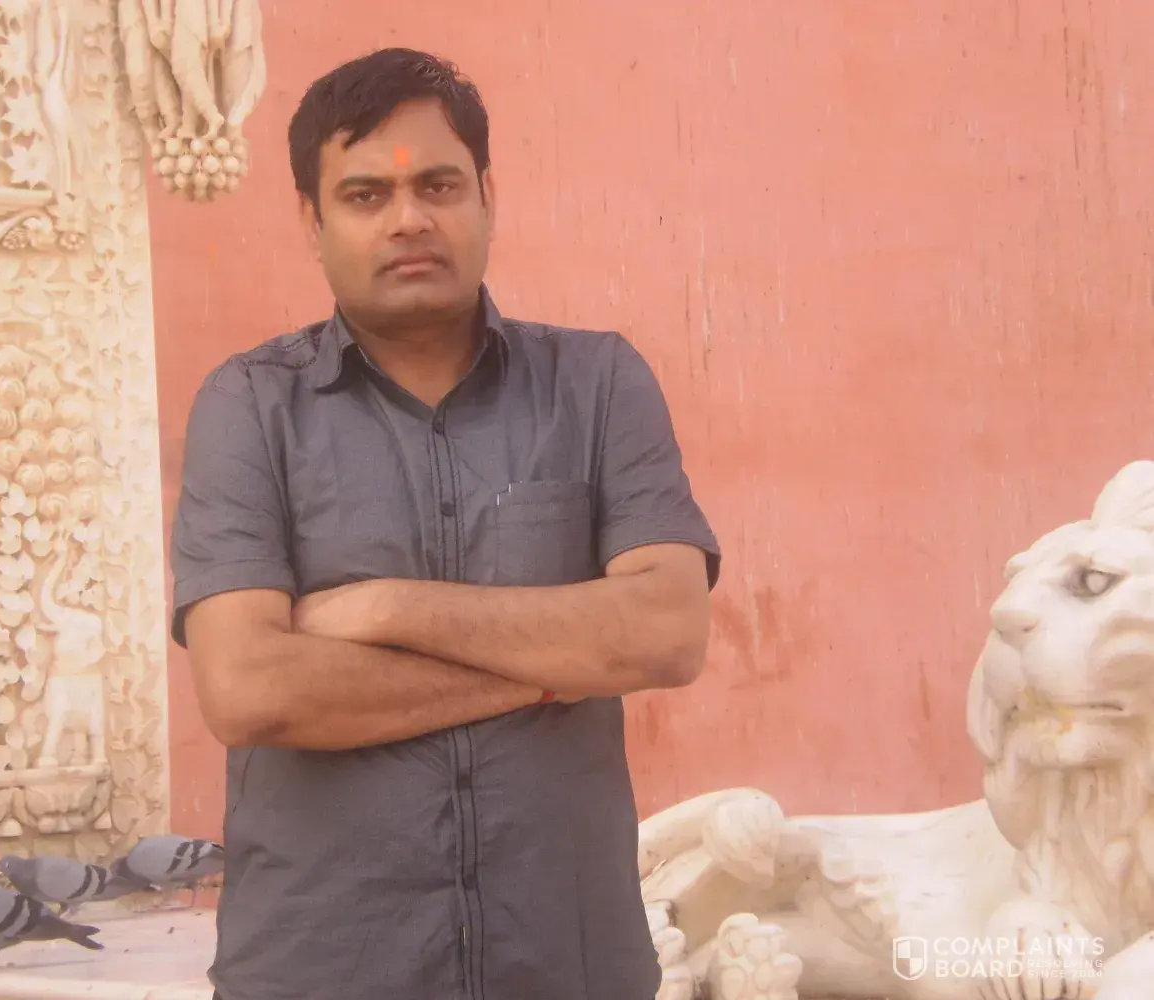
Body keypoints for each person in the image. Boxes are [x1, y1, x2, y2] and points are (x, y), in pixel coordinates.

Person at [171, 46, 721, 1000]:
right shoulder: (249, 408)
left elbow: (667, 631)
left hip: (566, 968)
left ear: (486, 197)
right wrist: (552, 667)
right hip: (324, 971)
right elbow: (252, 690)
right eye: (365, 195)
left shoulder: (595, 387)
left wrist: (386, 608)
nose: (409, 219)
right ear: (311, 221)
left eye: (437, 185)